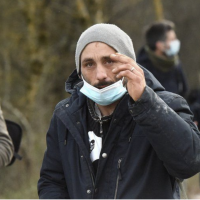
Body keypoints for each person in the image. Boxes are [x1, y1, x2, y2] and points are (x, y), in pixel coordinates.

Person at [38, 24, 200, 199]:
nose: (100, 74)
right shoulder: (66, 115)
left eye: (109, 61)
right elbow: (51, 181)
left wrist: (145, 102)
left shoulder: (168, 104)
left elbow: (189, 163)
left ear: (129, 62)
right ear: (80, 72)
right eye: (89, 64)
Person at [137, 20, 188, 98]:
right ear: (160, 45)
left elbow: (184, 92)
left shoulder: (175, 63)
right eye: (172, 40)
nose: (176, 42)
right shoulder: (142, 70)